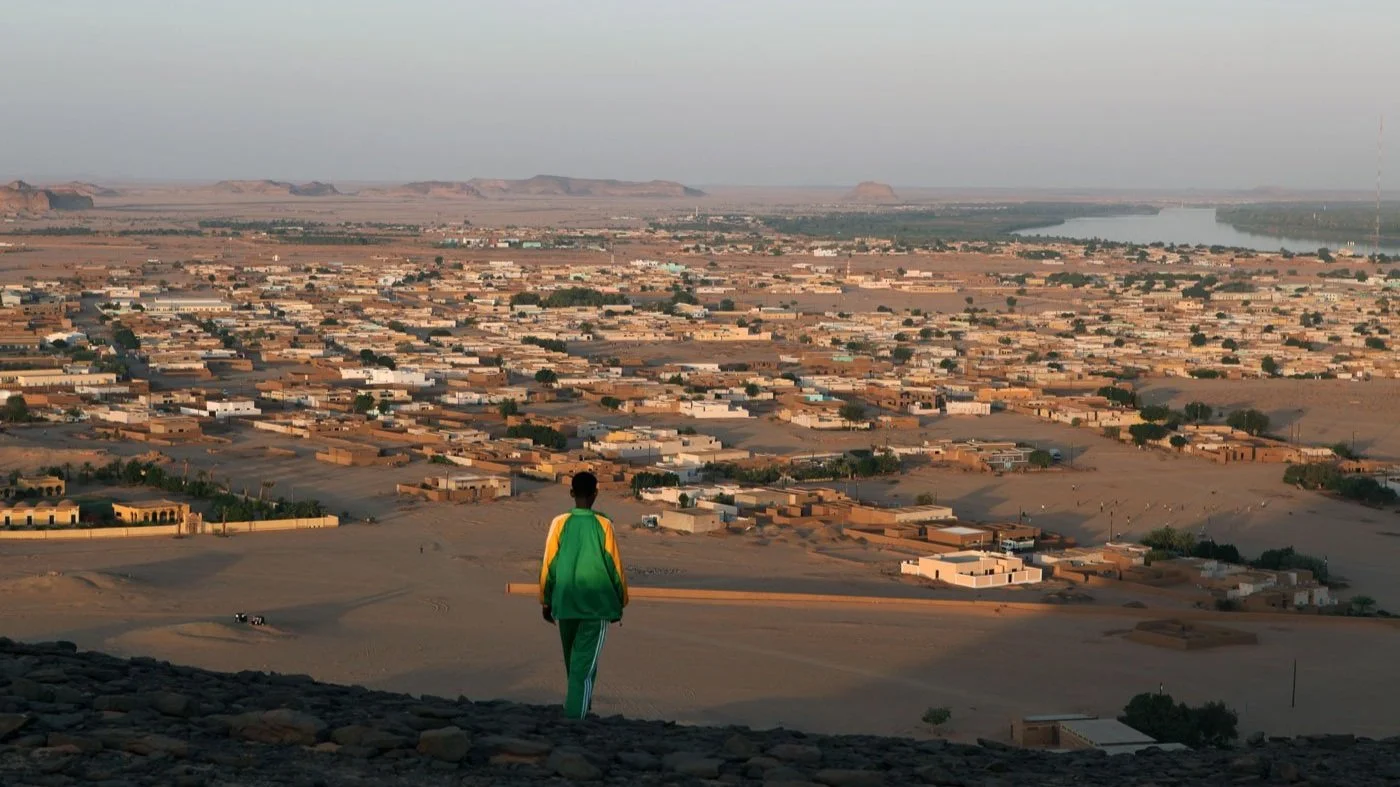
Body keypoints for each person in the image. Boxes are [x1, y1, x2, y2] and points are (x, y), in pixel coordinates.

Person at [539, 471, 628, 719]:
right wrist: (619, 602)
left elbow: (548, 566)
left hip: (565, 603)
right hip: (596, 606)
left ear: (571, 493)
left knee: (575, 663)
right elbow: (615, 568)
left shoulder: (559, 523)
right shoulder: (604, 525)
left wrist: (546, 600)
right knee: (582, 666)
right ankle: (575, 720)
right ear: (596, 494)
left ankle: (578, 708)